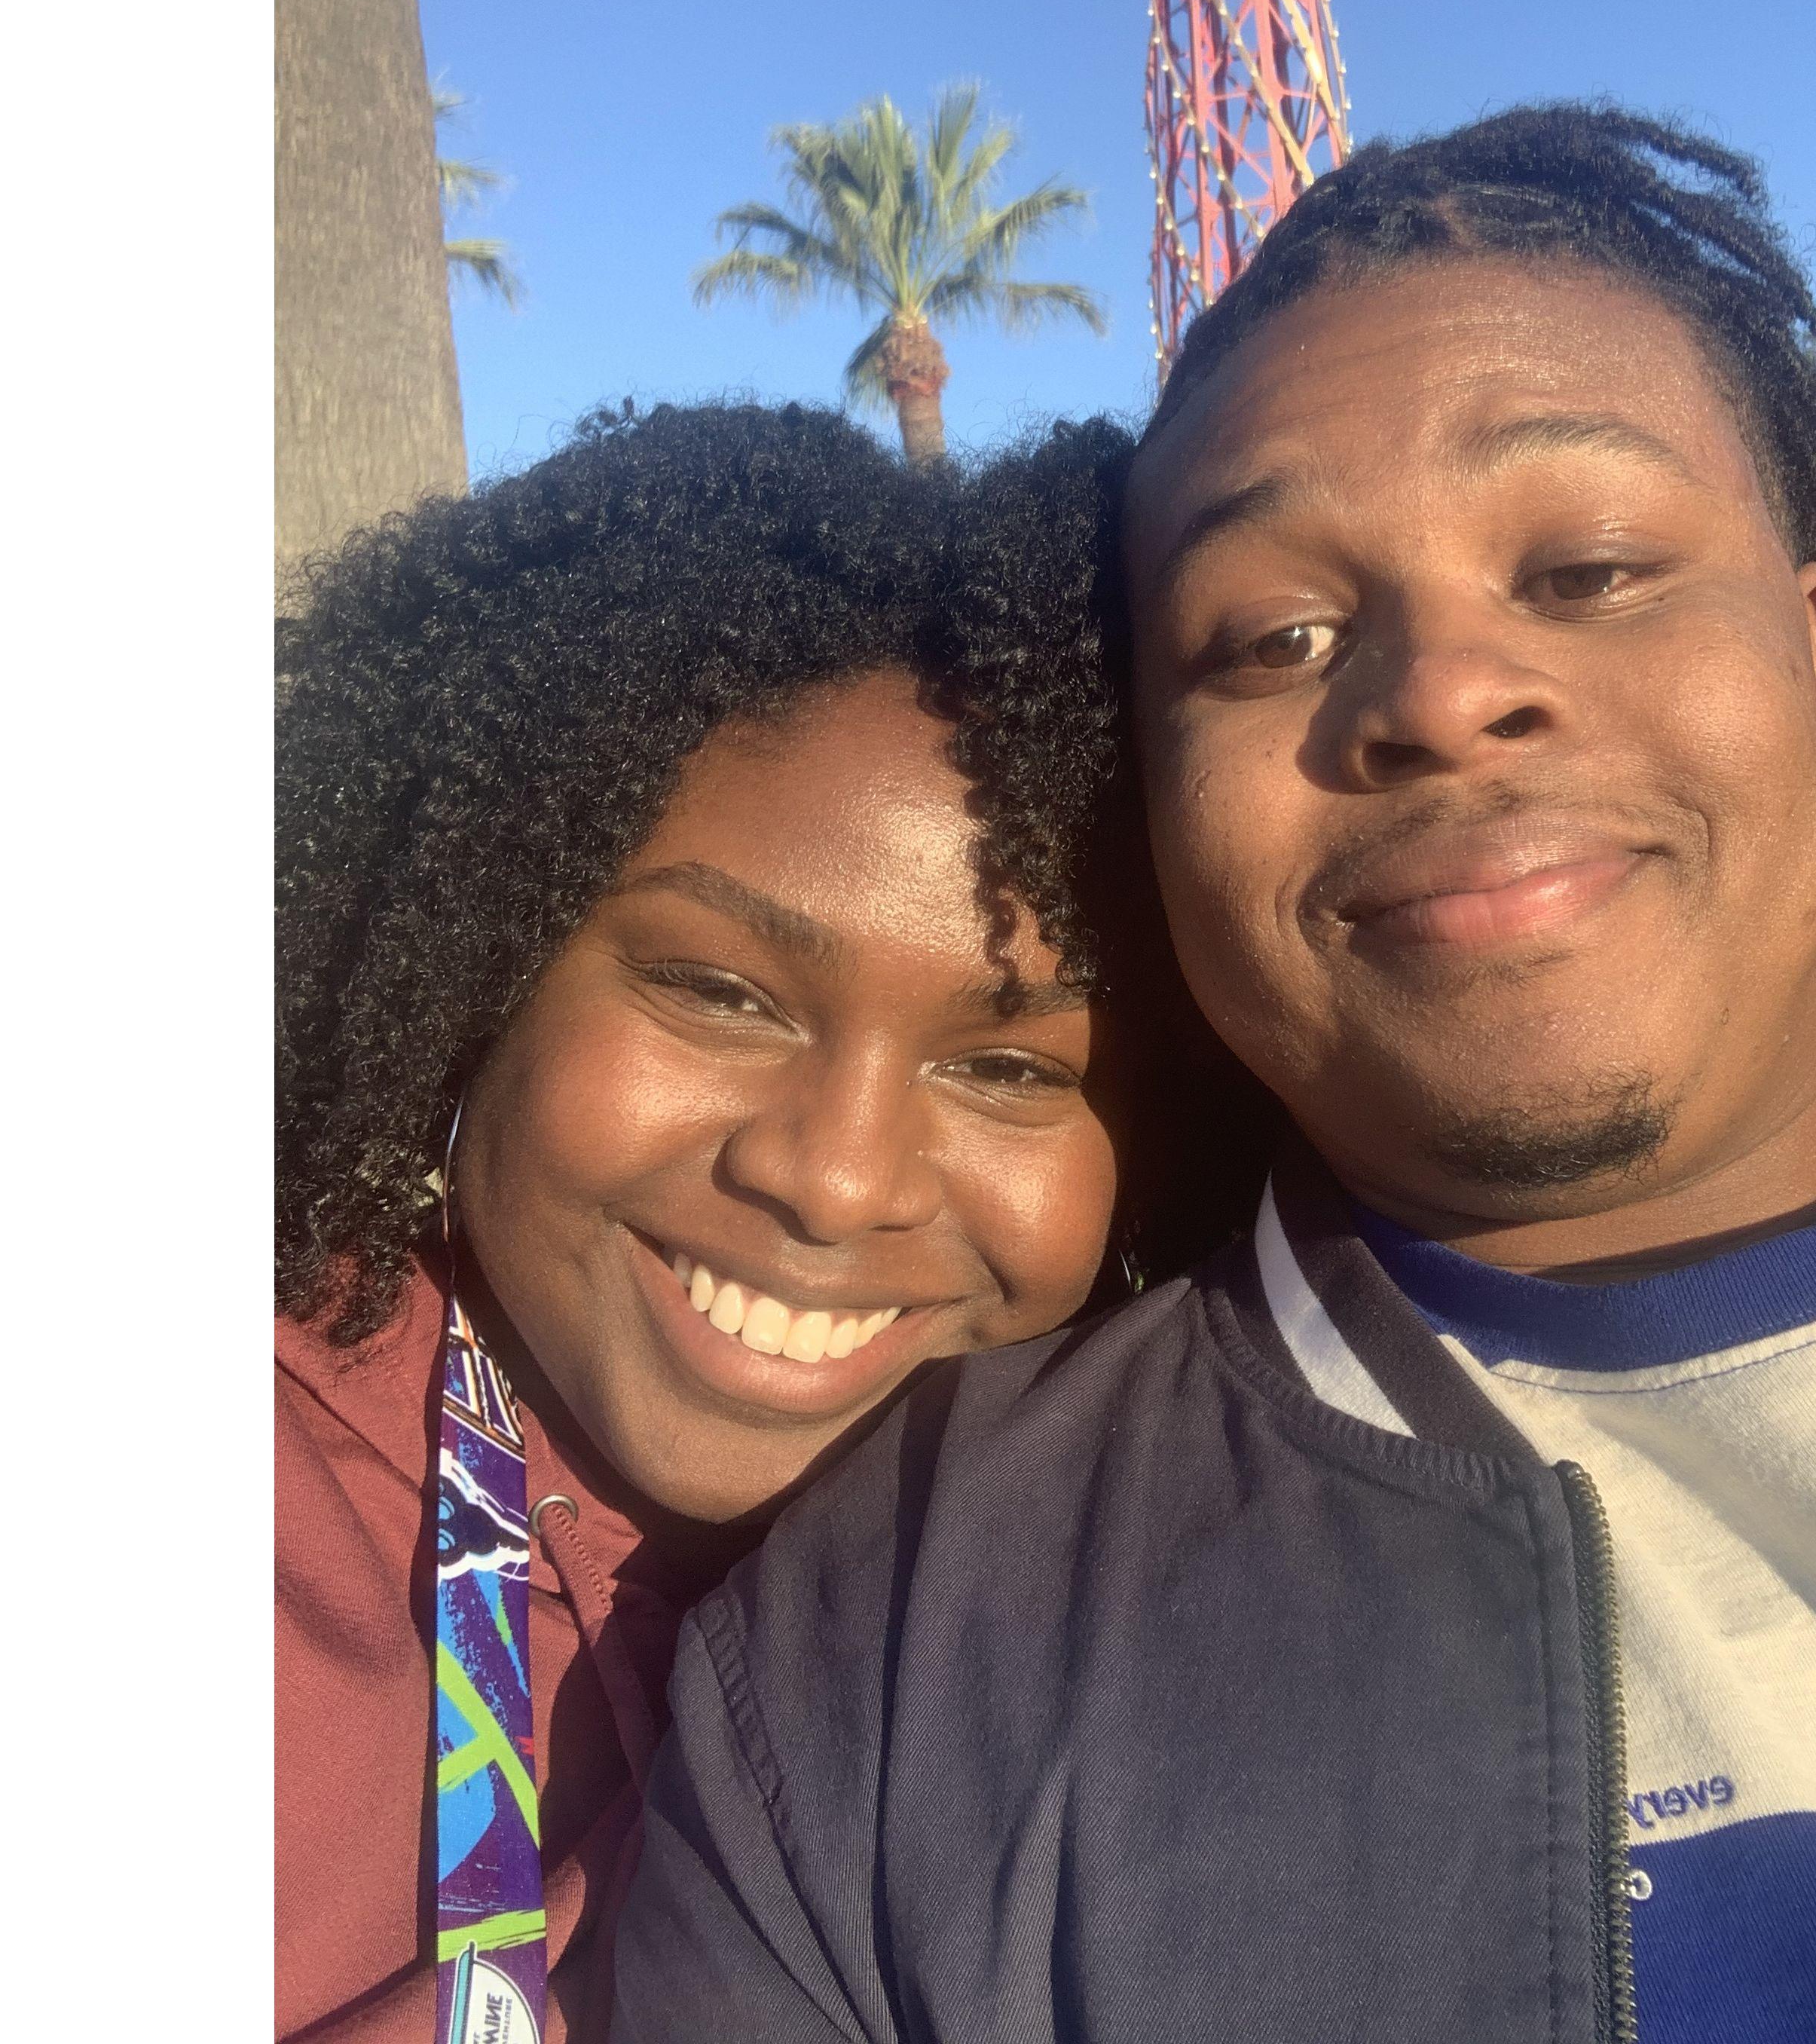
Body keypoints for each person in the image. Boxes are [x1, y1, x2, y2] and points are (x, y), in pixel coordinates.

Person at [620, 109, 1816, 2042]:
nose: (1439, 691)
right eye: (1272, 633)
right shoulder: (880, 1659)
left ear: (1808, 646)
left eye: (1588, 566)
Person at [276, 401, 1236, 2042]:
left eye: (1009, 1066)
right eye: (717, 991)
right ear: (482, 957)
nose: (835, 1178)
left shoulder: (1133, 1582)